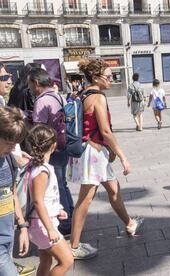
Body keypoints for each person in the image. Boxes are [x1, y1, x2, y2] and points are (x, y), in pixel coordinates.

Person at [68, 59, 143, 260]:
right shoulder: (98, 97)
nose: (112, 79)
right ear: (95, 77)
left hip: (92, 150)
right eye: (108, 76)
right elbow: (105, 131)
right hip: (93, 154)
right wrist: (122, 155)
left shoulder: (83, 94)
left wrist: (108, 149)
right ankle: (73, 246)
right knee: (85, 199)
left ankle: (129, 223)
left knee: (114, 189)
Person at [27, 68, 74, 236]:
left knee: (56, 185)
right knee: (63, 184)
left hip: (50, 148)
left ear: (36, 83)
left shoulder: (41, 101)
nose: (29, 89)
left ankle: (66, 225)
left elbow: (38, 130)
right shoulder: (58, 95)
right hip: (63, 144)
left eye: (30, 85)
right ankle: (71, 216)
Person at [26, 125, 74, 276]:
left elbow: (46, 198)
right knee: (67, 261)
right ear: (53, 146)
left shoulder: (38, 166)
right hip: (42, 226)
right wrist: (50, 229)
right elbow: (38, 201)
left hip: (40, 224)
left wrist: (57, 209)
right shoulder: (41, 170)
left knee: (46, 261)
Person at [0, 106, 32, 276]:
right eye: (8, 143)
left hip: (8, 238)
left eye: (15, 144)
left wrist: (23, 227)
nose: (13, 149)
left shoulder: (8, 160)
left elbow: (12, 194)